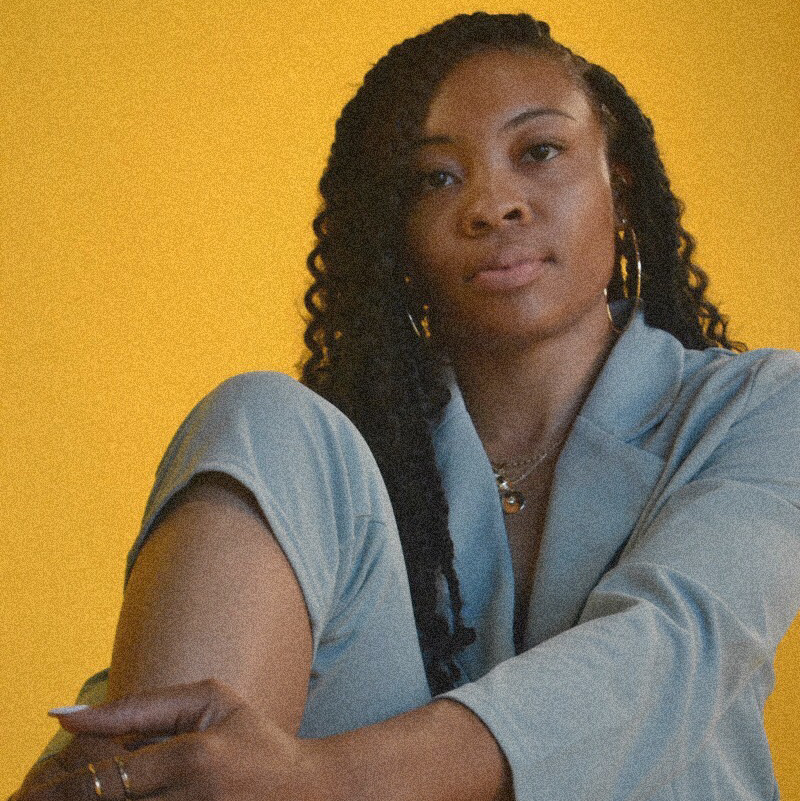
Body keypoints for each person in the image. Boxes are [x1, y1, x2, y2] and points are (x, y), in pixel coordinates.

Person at [11, 11, 800, 801]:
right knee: (263, 415)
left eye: (539, 151)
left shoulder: (761, 406)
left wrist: (317, 780)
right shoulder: (338, 463)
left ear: (619, 186)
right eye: (436, 179)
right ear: (398, 238)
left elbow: (667, 652)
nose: (492, 205)